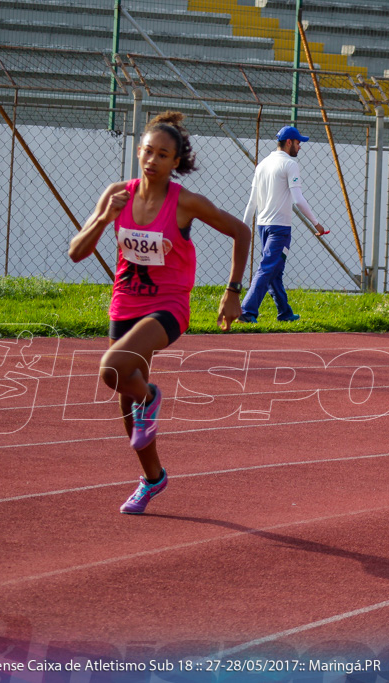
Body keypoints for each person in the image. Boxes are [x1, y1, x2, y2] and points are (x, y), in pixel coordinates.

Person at [69, 111, 250, 515]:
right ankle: (152, 479)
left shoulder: (185, 203)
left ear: (175, 162)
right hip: (125, 302)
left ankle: (150, 397)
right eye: (147, 151)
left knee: (112, 369)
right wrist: (104, 218)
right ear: (138, 152)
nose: (152, 160)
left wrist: (232, 291)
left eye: (162, 155)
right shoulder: (117, 194)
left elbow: (241, 231)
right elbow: (76, 253)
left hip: (168, 305)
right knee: (126, 403)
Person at [238, 125, 328, 324]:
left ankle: (285, 312)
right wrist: (316, 223)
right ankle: (247, 310)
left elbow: (252, 201)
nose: (300, 147)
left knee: (275, 270)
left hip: (263, 225)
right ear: (289, 142)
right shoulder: (289, 164)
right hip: (280, 228)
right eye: (298, 143)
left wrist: (244, 228)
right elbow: (298, 199)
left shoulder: (262, 164)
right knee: (268, 267)